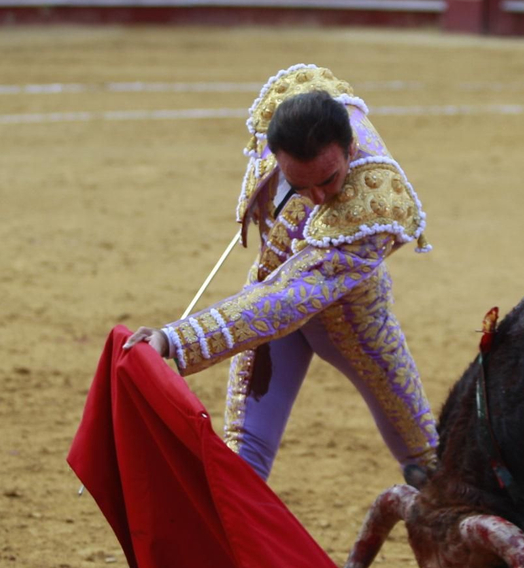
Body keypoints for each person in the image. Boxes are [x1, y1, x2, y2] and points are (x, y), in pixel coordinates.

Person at [124, 64, 439, 486]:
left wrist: (173, 338)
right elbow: (276, 289)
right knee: (244, 456)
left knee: (425, 457)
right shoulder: (294, 104)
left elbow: (290, 299)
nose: (319, 196)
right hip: (271, 293)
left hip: (351, 318)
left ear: (349, 149)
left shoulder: (376, 205)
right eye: (300, 184)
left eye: (329, 180)